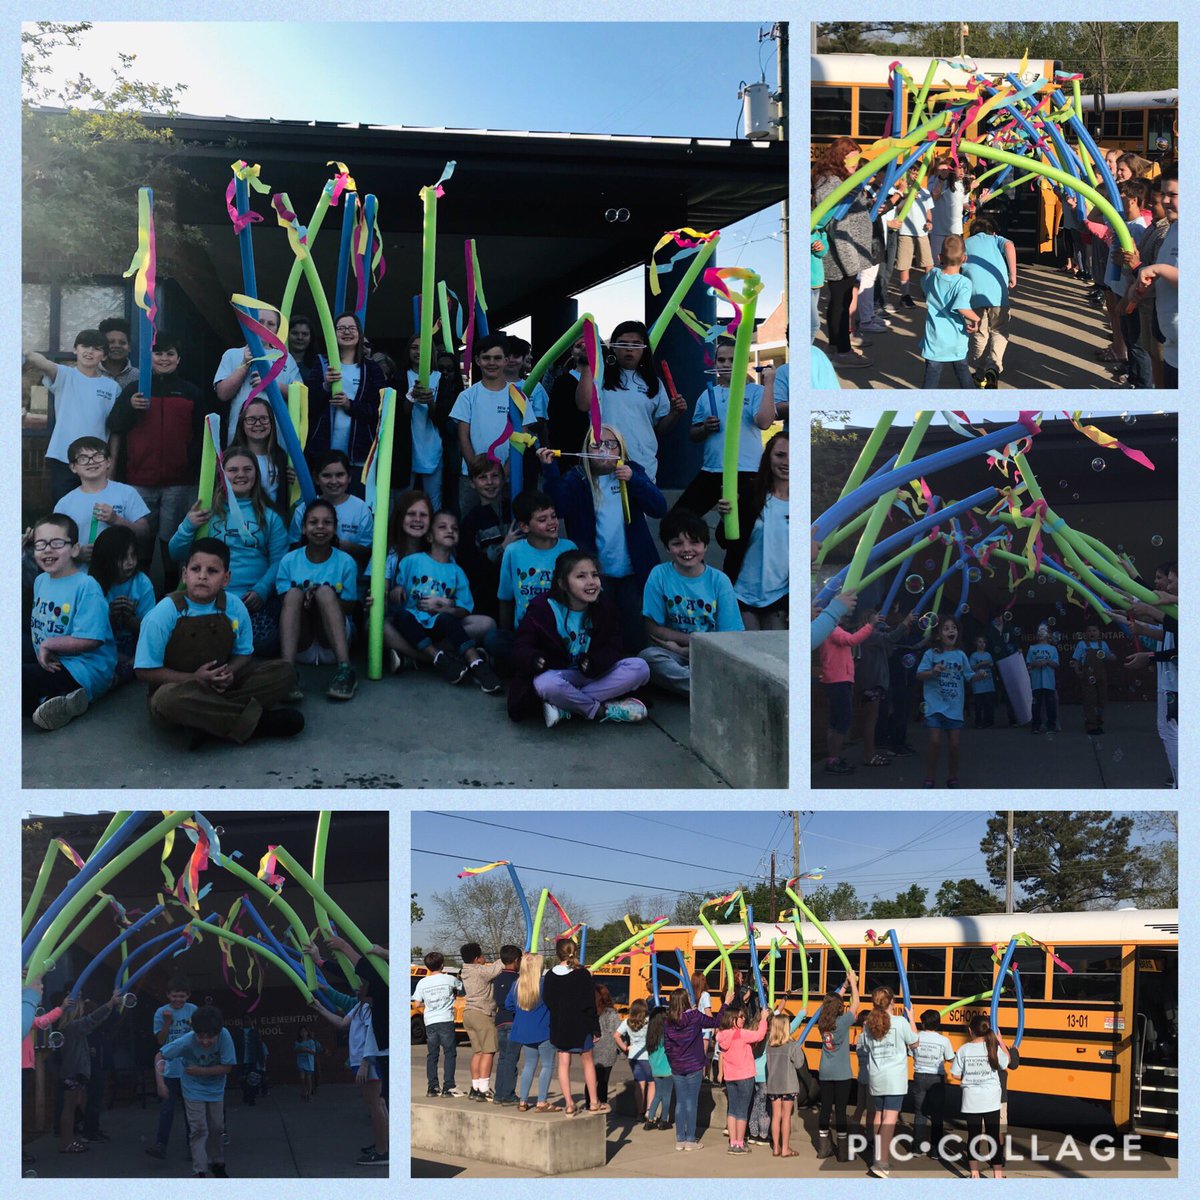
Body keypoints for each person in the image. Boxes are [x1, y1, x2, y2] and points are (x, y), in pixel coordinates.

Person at [135, 538, 302, 742]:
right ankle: (259, 723)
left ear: (226, 578)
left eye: (212, 571)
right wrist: (194, 679)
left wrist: (229, 672)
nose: (202, 576)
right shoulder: (163, 612)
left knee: (285, 672)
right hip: (180, 689)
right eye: (195, 569)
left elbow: (244, 653)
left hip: (222, 687)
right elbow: (144, 670)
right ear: (185, 574)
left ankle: (205, 723)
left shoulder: (234, 606)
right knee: (166, 701)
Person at [537, 426, 667, 652]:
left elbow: (659, 508)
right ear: (586, 451)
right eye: (596, 445)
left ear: (621, 449)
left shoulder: (633, 471)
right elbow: (559, 508)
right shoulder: (577, 479)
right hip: (595, 573)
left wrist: (635, 480)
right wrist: (550, 470)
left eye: (610, 444)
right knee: (601, 631)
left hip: (633, 572)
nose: (604, 449)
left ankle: (634, 669)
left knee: (634, 634)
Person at [106, 334, 210, 590]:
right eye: (158, 353)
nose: (164, 359)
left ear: (178, 359)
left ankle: (170, 594)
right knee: (138, 540)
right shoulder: (134, 390)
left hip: (179, 482)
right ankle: (136, 593)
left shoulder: (191, 392)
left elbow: (203, 435)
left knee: (172, 543)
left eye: (170, 354)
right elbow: (114, 424)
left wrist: (193, 469)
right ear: (149, 357)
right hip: (139, 480)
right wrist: (130, 406)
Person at [508, 550, 650, 726]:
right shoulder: (542, 608)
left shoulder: (604, 606)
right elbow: (521, 646)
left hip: (591, 674)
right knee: (545, 683)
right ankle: (600, 710)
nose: (591, 582)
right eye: (581, 576)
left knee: (640, 667)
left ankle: (565, 705)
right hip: (558, 675)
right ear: (562, 583)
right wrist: (535, 659)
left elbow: (613, 646)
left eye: (594, 575)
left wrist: (594, 661)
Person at [169, 449, 289, 655]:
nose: (240, 474)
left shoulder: (270, 516)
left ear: (256, 474)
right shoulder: (206, 511)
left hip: (251, 600)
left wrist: (262, 590)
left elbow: (280, 561)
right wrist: (188, 526)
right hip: (208, 598)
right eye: (233, 470)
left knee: (265, 643)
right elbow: (176, 553)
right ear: (222, 475)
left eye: (247, 469)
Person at [387, 511, 502, 692]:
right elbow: (398, 587)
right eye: (443, 527)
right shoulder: (411, 561)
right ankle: (439, 657)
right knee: (398, 618)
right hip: (412, 623)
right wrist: (398, 589)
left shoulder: (457, 572)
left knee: (453, 619)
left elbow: (465, 609)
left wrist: (446, 608)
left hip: (440, 627)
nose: (450, 531)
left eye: (454, 528)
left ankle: (477, 664)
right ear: (429, 537)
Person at [25, 513, 117, 732]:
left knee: (17, 678)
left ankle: (56, 698)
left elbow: (92, 640)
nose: (48, 550)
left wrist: (49, 644)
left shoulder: (86, 586)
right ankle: (53, 700)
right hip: (50, 658)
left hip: (83, 667)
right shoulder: (40, 580)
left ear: (75, 549)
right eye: (41, 544)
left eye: (57, 543)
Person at [639, 508, 744, 694]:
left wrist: (689, 648)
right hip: (672, 653)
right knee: (647, 658)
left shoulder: (719, 580)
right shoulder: (659, 575)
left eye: (694, 542)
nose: (686, 549)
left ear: (705, 546)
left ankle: (698, 686)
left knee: (737, 661)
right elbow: (652, 627)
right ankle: (710, 689)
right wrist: (681, 649)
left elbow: (729, 636)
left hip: (712, 651)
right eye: (677, 543)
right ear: (667, 547)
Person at [574, 320, 683, 484]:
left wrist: (675, 413)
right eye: (623, 343)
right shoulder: (600, 375)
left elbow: (660, 427)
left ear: (644, 349)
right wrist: (590, 362)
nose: (629, 349)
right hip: (604, 461)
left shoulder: (654, 382)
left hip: (643, 461)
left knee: (641, 500)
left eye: (636, 344)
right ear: (613, 347)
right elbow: (583, 404)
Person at [674, 339, 774, 518]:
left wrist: (769, 384)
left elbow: (764, 423)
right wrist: (705, 428)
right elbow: (694, 434)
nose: (726, 364)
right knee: (679, 518)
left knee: (739, 525)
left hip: (747, 471)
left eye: (733, 359)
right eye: (721, 360)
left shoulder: (756, 391)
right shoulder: (707, 394)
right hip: (712, 469)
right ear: (715, 363)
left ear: (744, 361)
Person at [24, 330, 123, 504]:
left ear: (104, 356)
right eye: (85, 346)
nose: (89, 352)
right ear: (75, 349)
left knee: (95, 512)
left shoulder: (112, 387)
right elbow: (43, 363)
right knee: (64, 512)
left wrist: (111, 464)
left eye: (97, 348)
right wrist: (25, 351)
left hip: (97, 461)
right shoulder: (65, 375)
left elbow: (115, 430)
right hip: (64, 458)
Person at [277, 498, 359, 700]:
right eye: (313, 522)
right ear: (304, 528)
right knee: (294, 593)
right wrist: (307, 603)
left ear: (335, 528)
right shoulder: (289, 560)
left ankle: (345, 669)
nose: (320, 527)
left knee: (325, 592)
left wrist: (321, 601)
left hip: (332, 643)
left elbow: (350, 606)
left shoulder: (346, 562)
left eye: (327, 522)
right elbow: (285, 603)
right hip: (301, 644)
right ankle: (287, 672)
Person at [308, 976, 389, 1165]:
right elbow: (342, 1023)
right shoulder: (359, 1006)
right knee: (376, 1104)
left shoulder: (371, 1008)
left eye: (361, 986)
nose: (357, 989)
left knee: (376, 1104)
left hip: (368, 1062)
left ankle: (382, 1151)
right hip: (361, 1061)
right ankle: (382, 1144)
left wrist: (365, 1063)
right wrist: (319, 1008)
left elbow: (372, 1035)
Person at [812, 138, 875, 368]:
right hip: (841, 250)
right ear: (840, 157)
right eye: (851, 159)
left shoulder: (842, 179)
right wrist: (848, 258)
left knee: (842, 298)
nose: (855, 164)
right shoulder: (831, 181)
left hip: (848, 249)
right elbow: (831, 219)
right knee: (841, 299)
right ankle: (842, 351)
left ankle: (837, 344)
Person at [717, 432, 789, 630]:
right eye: (780, 455)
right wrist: (725, 518)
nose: (787, 462)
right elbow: (724, 540)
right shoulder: (749, 492)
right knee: (747, 646)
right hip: (741, 591)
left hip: (781, 595)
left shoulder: (804, 503)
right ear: (768, 457)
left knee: (775, 648)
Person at [307, 311, 388, 486]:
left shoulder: (372, 369)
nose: (346, 332)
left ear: (359, 333)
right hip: (324, 449)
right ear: (333, 333)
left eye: (352, 328)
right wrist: (325, 386)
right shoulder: (321, 363)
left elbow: (379, 411)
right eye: (341, 328)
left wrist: (349, 405)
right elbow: (308, 403)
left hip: (359, 452)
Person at [157, 1003, 236, 1177]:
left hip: (215, 1088)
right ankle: (199, 1170)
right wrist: (161, 1083)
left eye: (210, 1037)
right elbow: (160, 1055)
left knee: (217, 1127)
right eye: (201, 1037)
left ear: (218, 1032)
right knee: (199, 1129)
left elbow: (227, 1067)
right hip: (192, 1088)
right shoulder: (187, 1040)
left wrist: (201, 1071)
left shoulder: (224, 1036)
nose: (205, 1042)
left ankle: (217, 1162)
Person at [495, 490, 578, 656]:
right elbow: (505, 598)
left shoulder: (569, 548)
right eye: (542, 519)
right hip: (526, 632)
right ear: (524, 526)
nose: (552, 522)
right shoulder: (513, 551)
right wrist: (507, 632)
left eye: (553, 516)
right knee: (494, 639)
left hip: (561, 632)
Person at [51, 436, 151, 565]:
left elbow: (144, 534)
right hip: (80, 573)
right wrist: (75, 554)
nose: (91, 462)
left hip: (120, 570)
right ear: (73, 467)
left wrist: (117, 520)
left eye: (98, 456)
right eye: (83, 459)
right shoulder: (65, 504)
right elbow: (54, 543)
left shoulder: (127, 493)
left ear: (108, 461)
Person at [214, 307, 301, 445]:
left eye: (271, 324)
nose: (265, 327)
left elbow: (300, 396)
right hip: (240, 439)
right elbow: (223, 394)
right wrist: (244, 364)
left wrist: (271, 384)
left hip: (276, 440)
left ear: (277, 329)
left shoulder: (286, 358)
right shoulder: (232, 354)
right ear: (251, 324)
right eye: (260, 321)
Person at [917, 615, 986, 788]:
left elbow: (969, 676)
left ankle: (952, 776)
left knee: (955, 745)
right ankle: (930, 777)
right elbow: (919, 674)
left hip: (954, 706)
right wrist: (933, 672)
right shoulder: (931, 654)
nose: (951, 631)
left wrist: (978, 675)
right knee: (934, 742)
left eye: (953, 628)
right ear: (938, 634)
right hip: (934, 705)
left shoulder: (960, 655)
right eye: (946, 628)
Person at [450, 335, 515, 514]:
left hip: (507, 478)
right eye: (486, 358)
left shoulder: (518, 396)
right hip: (471, 478)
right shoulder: (467, 396)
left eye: (497, 358)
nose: (491, 363)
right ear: (478, 360)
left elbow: (522, 438)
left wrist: (505, 473)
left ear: (506, 360)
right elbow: (463, 436)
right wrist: (477, 473)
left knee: (506, 524)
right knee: (470, 524)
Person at [859, 987, 919, 1178]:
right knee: (890, 1119)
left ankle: (877, 1156)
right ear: (892, 1001)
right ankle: (881, 1162)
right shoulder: (900, 1022)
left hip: (876, 1076)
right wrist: (912, 1019)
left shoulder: (868, 1024)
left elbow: (865, 1047)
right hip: (895, 1078)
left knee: (879, 1115)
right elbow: (915, 1043)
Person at [55, 989, 123, 1155]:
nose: (83, 1012)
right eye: (80, 1010)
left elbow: (93, 1020)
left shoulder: (69, 1028)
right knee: (69, 1108)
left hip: (73, 1072)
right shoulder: (72, 1027)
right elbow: (92, 1019)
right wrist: (110, 1003)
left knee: (72, 1107)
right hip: (73, 1073)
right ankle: (67, 1143)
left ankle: (69, 1140)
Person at [542, 937, 604, 1115]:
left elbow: (548, 1000)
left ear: (557, 953)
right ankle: (593, 1102)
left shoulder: (550, 975)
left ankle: (569, 1103)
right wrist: (595, 1028)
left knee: (563, 1063)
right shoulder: (582, 974)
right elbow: (590, 1003)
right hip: (581, 1024)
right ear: (574, 952)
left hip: (560, 1024)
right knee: (588, 1062)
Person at [664, 982, 726, 1150]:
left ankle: (680, 1139)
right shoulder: (695, 1017)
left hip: (677, 1066)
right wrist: (725, 1004)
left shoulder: (668, 1021)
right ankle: (690, 1139)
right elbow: (716, 1021)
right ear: (685, 1000)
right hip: (694, 1064)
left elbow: (667, 1046)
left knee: (680, 1102)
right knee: (692, 1102)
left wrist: (673, 1062)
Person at [89, 525, 155, 682]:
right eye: (123, 557)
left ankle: (124, 670)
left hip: (133, 645)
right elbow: (91, 630)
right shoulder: (92, 585)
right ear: (106, 559)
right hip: (104, 645)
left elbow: (149, 630)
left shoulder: (142, 583)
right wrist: (110, 617)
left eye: (133, 555)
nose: (130, 562)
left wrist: (129, 618)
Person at [289, 451, 375, 572]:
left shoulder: (362, 509)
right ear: (316, 478)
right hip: (308, 575)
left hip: (348, 576)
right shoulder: (303, 509)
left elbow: (368, 552)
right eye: (326, 476)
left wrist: (340, 545)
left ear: (349, 477)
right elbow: (294, 547)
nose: (334, 481)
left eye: (340, 475)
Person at [817, 605, 876, 775]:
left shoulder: (828, 630)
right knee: (842, 721)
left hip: (836, 681)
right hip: (839, 681)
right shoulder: (832, 629)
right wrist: (870, 625)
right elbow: (851, 640)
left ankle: (833, 758)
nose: (843, 616)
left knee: (835, 722)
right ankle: (833, 759)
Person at [949, 1015, 1010, 1179]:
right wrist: (1000, 1041)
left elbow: (954, 1074)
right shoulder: (993, 1048)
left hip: (971, 1101)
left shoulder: (964, 1050)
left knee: (973, 1136)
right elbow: (1006, 1062)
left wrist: (969, 1078)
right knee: (994, 1137)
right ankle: (998, 1175)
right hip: (991, 1101)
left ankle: (974, 1174)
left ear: (970, 1031)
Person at [457, 456, 515, 622]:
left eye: (494, 476)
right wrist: (503, 547)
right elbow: (472, 567)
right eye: (483, 477)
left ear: (503, 479)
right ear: (472, 483)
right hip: (489, 596)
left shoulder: (514, 510)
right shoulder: (470, 522)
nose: (490, 482)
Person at [962, 215, 1017, 388]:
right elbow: (1009, 245)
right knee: (999, 330)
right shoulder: (995, 239)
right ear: (993, 231)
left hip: (974, 293)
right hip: (997, 293)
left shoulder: (965, 243)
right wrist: (1013, 274)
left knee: (979, 333)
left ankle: (978, 372)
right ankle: (993, 367)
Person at [145, 976, 196, 1160]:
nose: (178, 1000)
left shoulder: (193, 1010)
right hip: (170, 1070)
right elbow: (160, 1041)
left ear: (187, 996)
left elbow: (200, 1038)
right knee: (167, 1109)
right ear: (168, 995)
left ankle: (193, 1146)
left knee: (192, 1111)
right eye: (174, 996)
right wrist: (167, 1022)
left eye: (182, 996)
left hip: (190, 1069)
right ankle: (161, 1145)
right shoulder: (161, 1012)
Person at [919, 234, 980, 388]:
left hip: (934, 340)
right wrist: (976, 319)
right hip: (956, 340)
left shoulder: (933, 274)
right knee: (963, 373)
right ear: (964, 259)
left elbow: (924, 286)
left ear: (940, 257)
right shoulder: (964, 283)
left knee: (931, 377)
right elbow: (962, 307)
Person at [815, 969, 861, 1161]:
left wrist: (844, 986)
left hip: (825, 1071)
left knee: (825, 1108)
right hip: (842, 1073)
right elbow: (856, 1003)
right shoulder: (843, 1022)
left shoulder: (822, 1022)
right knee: (840, 1111)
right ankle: (842, 1151)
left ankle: (823, 1148)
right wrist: (853, 984)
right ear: (840, 1007)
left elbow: (831, 1002)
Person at [716, 1002, 768, 1155]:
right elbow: (759, 1035)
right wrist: (764, 1019)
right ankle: (739, 1143)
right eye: (740, 1017)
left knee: (732, 1109)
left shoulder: (722, 1035)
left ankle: (733, 1142)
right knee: (742, 1111)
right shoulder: (741, 1034)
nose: (743, 1019)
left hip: (730, 1077)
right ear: (733, 1019)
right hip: (745, 1076)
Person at [412, 951, 464, 1098]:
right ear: (442, 965)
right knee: (449, 1053)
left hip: (430, 1021)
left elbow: (416, 1004)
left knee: (432, 1055)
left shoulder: (422, 982)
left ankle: (432, 1087)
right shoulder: (449, 979)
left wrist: (428, 1006)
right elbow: (460, 989)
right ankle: (449, 1086)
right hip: (445, 1019)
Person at [509, 952, 556, 1112]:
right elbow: (554, 1004)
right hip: (544, 1029)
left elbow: (508, 1004)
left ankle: (523, 1101)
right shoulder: (544, 984)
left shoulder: (517, 985)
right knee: (547, 1065)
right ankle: (541, 1101)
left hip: (524, 1031)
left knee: (529, 1065)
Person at [230, 397, 292, 518]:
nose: (258, 424)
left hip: (274, 522)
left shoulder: (281, 457)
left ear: (271, 422)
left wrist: (294, 483)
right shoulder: (230, 458)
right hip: (239, 521)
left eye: (264, 419)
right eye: (251, 419)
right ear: (242, 423)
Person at [403, 332, 444, 508]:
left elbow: (444, 418)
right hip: (407, 448)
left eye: (423, 348)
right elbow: (398, 415)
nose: (418, 352)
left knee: (434, 501)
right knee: (404, 501)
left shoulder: (441, 378)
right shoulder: (401, 376)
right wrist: (411, 397)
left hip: (433, 446)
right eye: (414, 347)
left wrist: (430, 402)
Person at [458, 943, 503, 1102]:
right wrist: (504, 957)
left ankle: (475, 1087)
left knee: (478, 1052)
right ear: (477, 959)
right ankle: (484, 1089)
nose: (485, 959)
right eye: (483, 956)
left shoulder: (465, 971)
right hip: (482, 1013)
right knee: (488, 1051)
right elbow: (495, 969)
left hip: (469, 1013)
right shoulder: (479, 970)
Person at [909, 1009, 954, 1157]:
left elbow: (910, 1053)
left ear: (923, 1023)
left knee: (920, 1113)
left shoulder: (916, 1037)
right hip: (936, 1079)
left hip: (919, 1077)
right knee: (937, 1115)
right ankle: (935, 1149)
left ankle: (916, 1147)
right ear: (938, 1024)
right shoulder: (943, 1040)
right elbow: (950, 1058)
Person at [765, 1010, 808, 1158]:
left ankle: (776, 1147)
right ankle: (785, 1148)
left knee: (776, 1115)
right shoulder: (792, 1045)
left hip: (773, 1085)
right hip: (788, 1084)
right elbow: (799, 1064)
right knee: (786, 1116)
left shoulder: (769, 1045)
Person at [492, 945, 523, 1107]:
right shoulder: (518, 979)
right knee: (511, 1058)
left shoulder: (497, 978)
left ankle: (499, 1093)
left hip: (500, 1020)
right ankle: (508, 1094)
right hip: (513, 1021)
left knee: (503, 1058)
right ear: (517, 960)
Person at [614, 998, 653, 1121]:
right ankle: (649, 1111)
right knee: (652, 1083)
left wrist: (625, 1048)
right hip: (647, 1056)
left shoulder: (627, 1021)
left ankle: (640, 1113)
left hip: (633, 1056)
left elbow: (616, 1036)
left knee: (639, 1084)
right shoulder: (648, 1021)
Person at [1072, 621, 1111, 734]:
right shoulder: (1082, 644)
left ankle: (1099, 723)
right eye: (1089, 631)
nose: (1092, 633)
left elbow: (1108, 657)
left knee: (1101, 699)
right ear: (1085, 633)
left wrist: (1112, 657)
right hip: (1087, 675)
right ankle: (1091, 726)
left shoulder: (1103, 644)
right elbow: (1076, 660)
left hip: (1101, 675)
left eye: (1094, 630)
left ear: (1099, 632)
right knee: (1089, 700)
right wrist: (1077, 670)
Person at [929, 156, 967, 262]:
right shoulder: (939, 180)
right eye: (959, 168)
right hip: (939, 228)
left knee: (954, 259)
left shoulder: (964, 183)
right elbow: (935, 196)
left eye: (964, 168)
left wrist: (972, 206)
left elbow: (964, 202)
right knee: (937, 261)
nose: (962, 171)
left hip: (955, 229)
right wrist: (942, 179)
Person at [1026, 622, 1061, 734]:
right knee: (1036, 705)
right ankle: (1036, 725)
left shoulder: (1053, 649)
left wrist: (1047, 662)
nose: (1041, 633)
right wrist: (1035, 664)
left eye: (1044, 631)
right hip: (1036, 682)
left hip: (1049, 682)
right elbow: (1028, 664)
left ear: (1048, 634)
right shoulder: (1032, 648)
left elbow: (1056, 664)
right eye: (1039, 631)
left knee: (1050, 705)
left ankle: (1051, 725)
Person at [593, 985, 624, 1108]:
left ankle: (590, 1102)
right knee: (603, 1080)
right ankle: (602, 1102)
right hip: (608, 1048)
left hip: (592, 1048)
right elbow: (617, 1031)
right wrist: (622, 1051)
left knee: (591, 1078)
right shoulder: (611, 1012)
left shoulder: (590, 1011)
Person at [645, 1004, 674, 1130]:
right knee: (666, 1096)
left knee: (658, 1095)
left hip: (655, 1070)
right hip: (667, 1069)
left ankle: (650, 1120)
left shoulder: (650, 1037)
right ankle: (663, 1121)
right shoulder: (666, 1035)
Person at [98, 317, 138, 391]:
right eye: (111, 342)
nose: (117, 346)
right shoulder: (91, 372)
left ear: (129, 347)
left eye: (122, 343)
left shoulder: (138, 376)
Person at [968, 635, 997, 729]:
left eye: (984, 642)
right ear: (976, 643)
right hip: (978, 683)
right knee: (978, 705)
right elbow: (971, 668)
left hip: (988, 682)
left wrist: (989, 664)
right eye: (980, 642)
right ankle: (979, 722)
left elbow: (992, 665)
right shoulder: (973, 655)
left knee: (989, 704)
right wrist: (981, 663)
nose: (982, 644)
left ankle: (989, 721)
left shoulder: (988, 654)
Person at [294, 1026, 322, 1102]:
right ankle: (304, 1090)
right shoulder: (298, 1041)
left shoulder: (311, 1042)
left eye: (305, 1031)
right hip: (301, 1061)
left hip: (309, 1061)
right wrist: (300, 1049)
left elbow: (313, 1052)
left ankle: (309, 1094)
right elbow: (295, 1050)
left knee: (309, 1077)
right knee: (302, 1077)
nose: (303, 1033)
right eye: (301, 1032)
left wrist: (306, 1049)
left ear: (307, 1032)